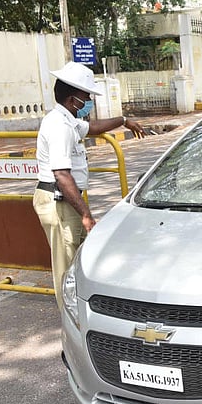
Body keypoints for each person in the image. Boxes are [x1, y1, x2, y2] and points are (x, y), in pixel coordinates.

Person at [34, 62, 145, 308]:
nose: (89, 102)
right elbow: (62, 175)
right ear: (73, 99)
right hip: (59, 200)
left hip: (67, 199)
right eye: (87, 97)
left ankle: (82, 309)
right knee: (66, 264)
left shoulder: (70, 120)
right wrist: (85, 214)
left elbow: (93, 127)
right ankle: (70, 319)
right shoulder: (59, 126)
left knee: (80, 256)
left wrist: (124, 120)